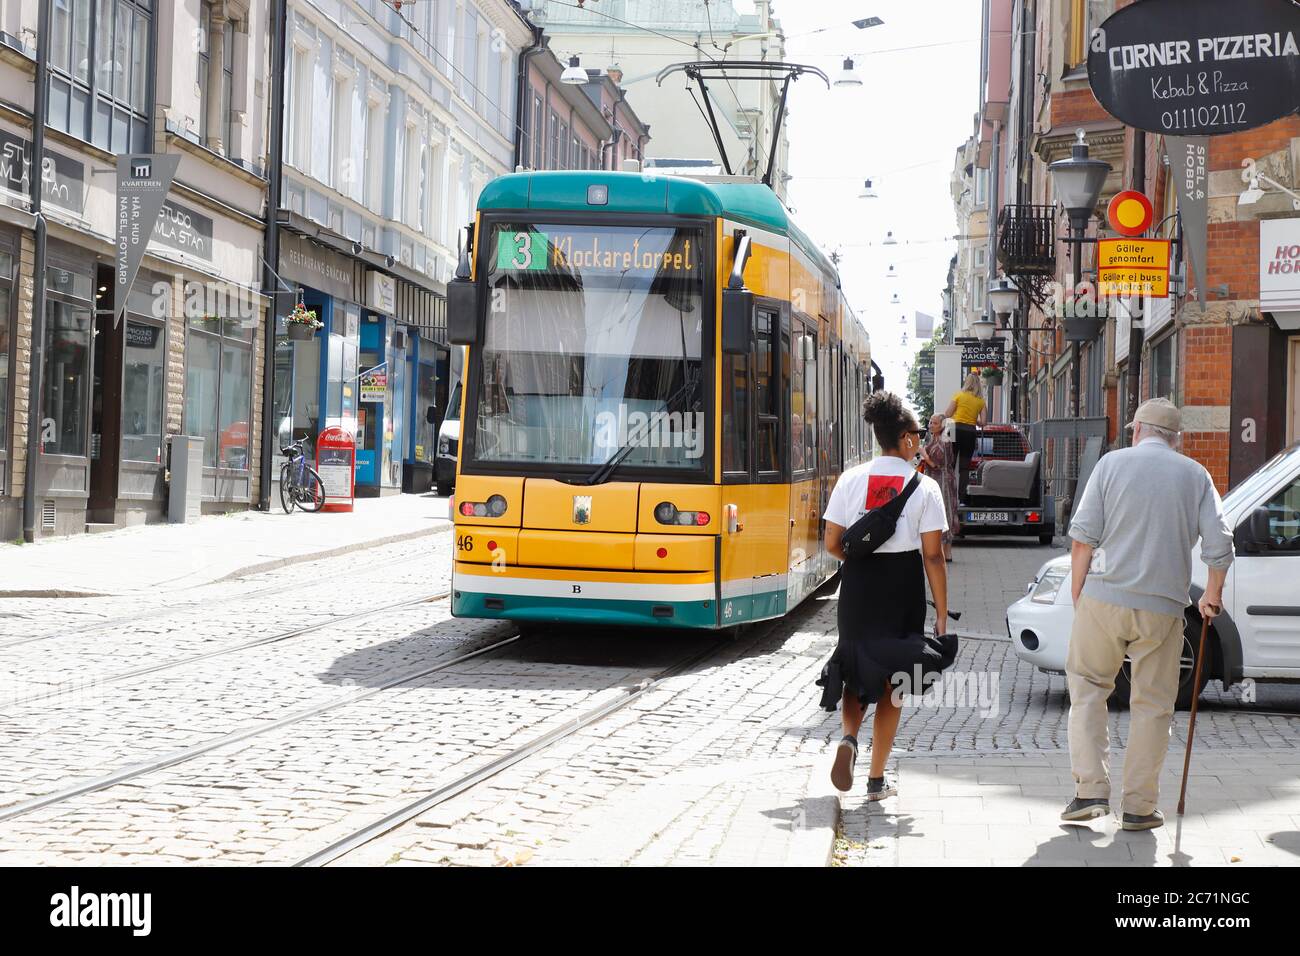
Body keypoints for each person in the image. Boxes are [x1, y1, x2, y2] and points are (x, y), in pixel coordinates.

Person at [1062, 398, 1234, 831]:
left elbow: (1082, 539)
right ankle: (1139, 806)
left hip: (1104, 600)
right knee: (1153, 706)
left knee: (1087, 690)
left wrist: (1079, 592)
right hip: (1162, 609)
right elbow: (1220, 544)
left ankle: (1089, 793)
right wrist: (1212, 595)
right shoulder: (1194, 474)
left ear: (1136, 429)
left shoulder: (1110, 465)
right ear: (1177, 440)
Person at [820, 391, 950, 799]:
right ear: (908, 439)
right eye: (916, 434)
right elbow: (932, 555)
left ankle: (847, 739)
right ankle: (876, 780)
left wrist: (858, 560)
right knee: (894, 679)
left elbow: (831, 543)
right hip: (902, 588)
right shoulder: (924, 487)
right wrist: (942, 613)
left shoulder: (851, 479)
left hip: (858, 587)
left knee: (855, 669)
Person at [920, 413, 959, 562]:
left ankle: (946, 552)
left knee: (945, 512)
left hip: (943, 480)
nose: (930, 425)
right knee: (935, 512)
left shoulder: (945, 440)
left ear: (942, 425)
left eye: (934, 423)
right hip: (933, 479)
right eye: (930, 422)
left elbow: (938, 465)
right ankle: (940, 551)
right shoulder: (931, 438)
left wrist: (924, 454)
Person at [942, 372, 986, 503]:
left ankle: (949, 496)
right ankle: (962, 499)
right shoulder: (981, 401)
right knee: (964, 467)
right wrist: (975, 421)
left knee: (950, 464)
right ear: (978, 385)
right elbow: (983, 422)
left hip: (954, 429)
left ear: (966, 382)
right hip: (970, 432)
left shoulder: (958, 395)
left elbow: (947, 413)